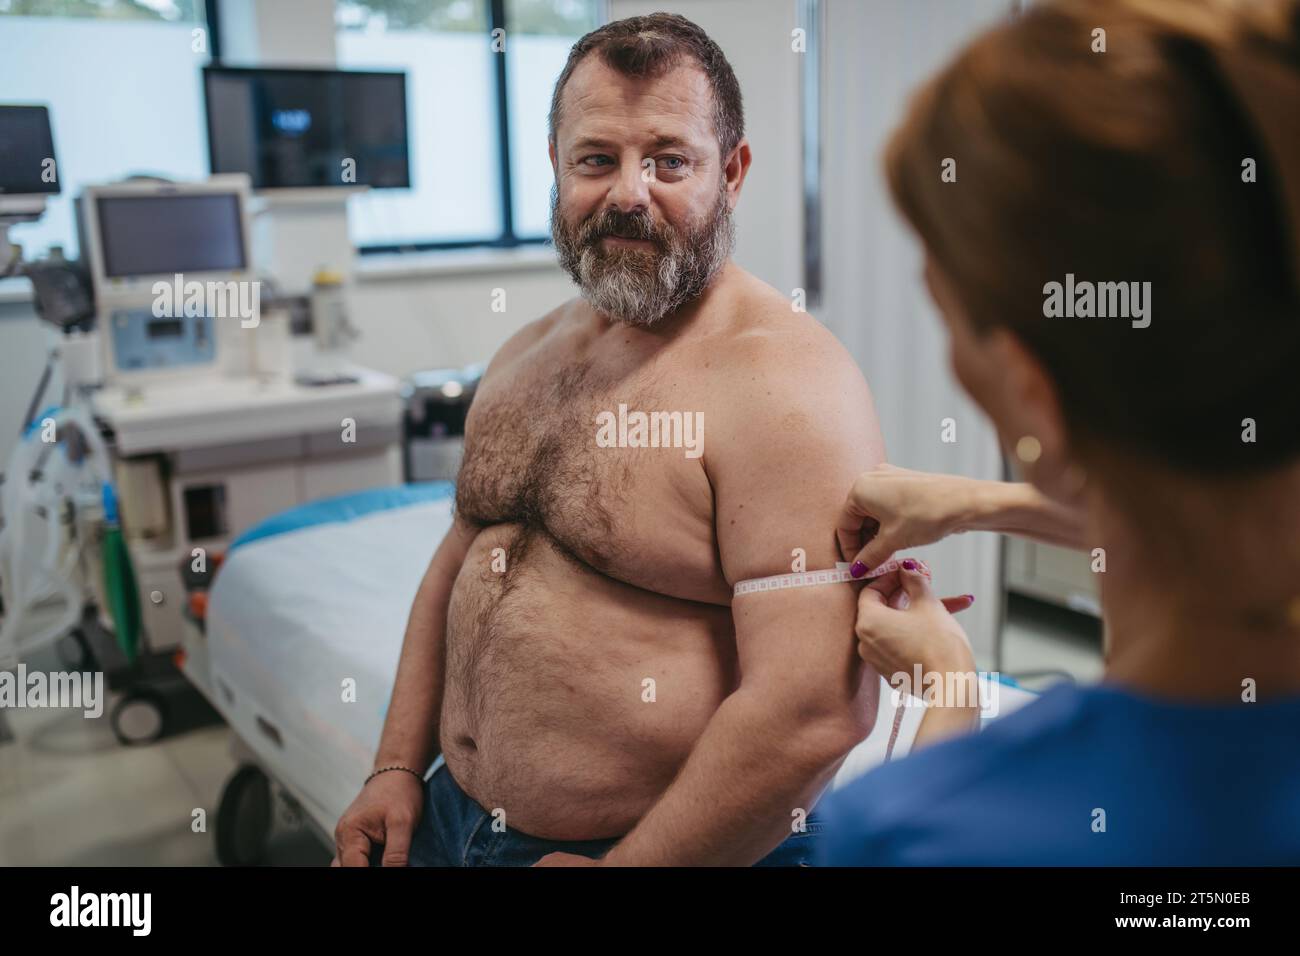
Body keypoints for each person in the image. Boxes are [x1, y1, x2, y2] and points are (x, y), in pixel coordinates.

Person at [333, 13, 895, 868]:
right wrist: (399, 766)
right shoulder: (525, 356)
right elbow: (458, 562)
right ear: (556, 171)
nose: (630, 192)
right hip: (449, 817)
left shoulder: (786, 386)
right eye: (596, 159)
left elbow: (813, 708)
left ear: (732, 173)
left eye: (670, 160)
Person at [820, 0, 1300, 864]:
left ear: (1035, 396)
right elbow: (1206, 513)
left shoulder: (919, 832)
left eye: (953, 322)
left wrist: (947, 691)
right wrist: (970, 500)